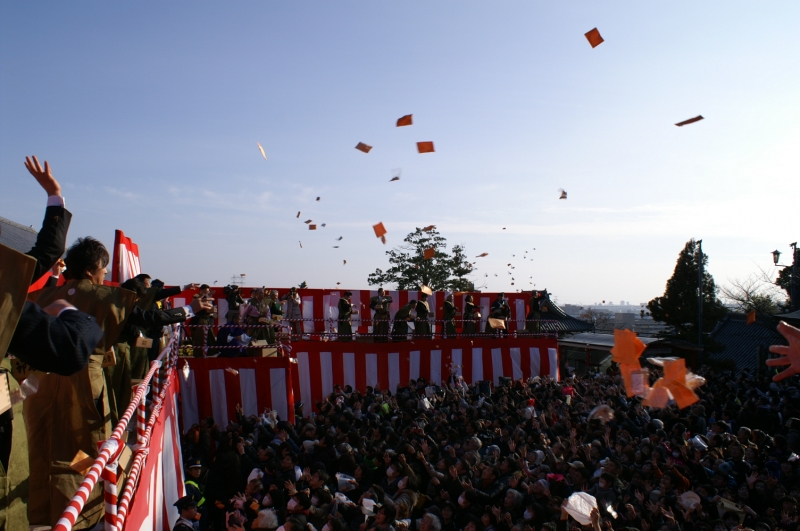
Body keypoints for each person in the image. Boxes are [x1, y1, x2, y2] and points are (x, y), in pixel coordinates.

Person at [190, 284, 216, 357]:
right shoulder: (196, 296)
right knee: (199, 339)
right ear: (201, 290)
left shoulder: (208, 297)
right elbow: (197, 307)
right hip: (199, 320)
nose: (206, 292)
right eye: (204, 291)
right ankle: (199, 355)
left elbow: (211, 305)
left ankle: (209, 353)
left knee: (209, 338)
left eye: (207, 291)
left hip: (207, 319)